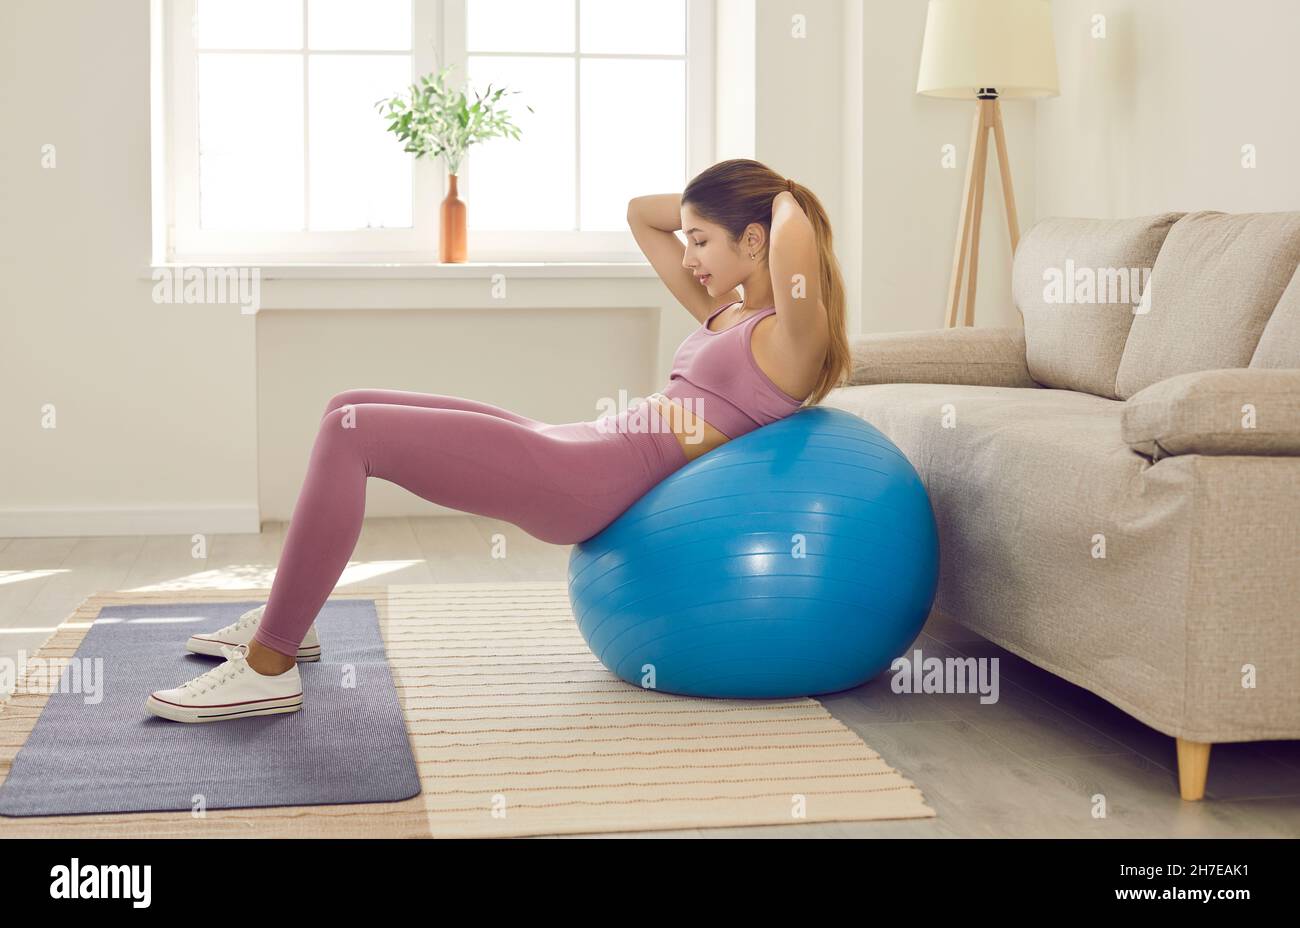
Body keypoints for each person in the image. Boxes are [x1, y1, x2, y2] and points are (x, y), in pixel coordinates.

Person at [145, 159, 851, 723]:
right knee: (346, 406)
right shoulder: (724, 310)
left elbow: (791, 246)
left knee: (352, 435)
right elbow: (641, 214)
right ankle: (290, 625)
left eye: (701, 241)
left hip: (586, 480)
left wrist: (782, 196)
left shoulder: (791, 340)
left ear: (755, 242)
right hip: (579, 441)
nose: (689, 255)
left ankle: (270, 667)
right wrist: (723, 207)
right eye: (690, 240)